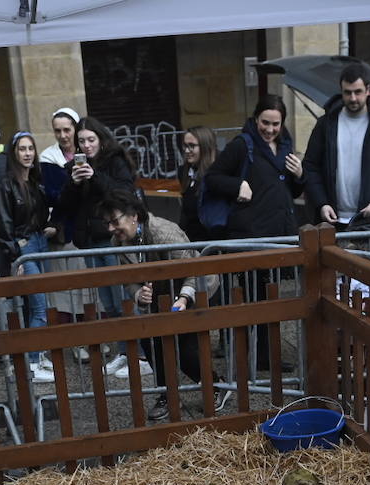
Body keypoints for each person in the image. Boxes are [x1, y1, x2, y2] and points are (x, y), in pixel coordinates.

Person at [102, 189, 231, 421]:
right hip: (162, 295)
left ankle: (216, 385)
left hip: (193, 287)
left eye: (114, 221)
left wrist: (183, 299)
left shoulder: (164, 232)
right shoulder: (119, 241)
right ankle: (167, 394)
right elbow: (128, 279)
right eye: (107, 223)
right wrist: (138, 293)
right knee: (151, 341)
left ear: (133, 216)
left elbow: (193, 270)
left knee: (183, 346)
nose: (111, 228)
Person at [204, 94, 304, 371]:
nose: (270, 129)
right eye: (265, 122)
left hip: (277, 235)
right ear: (255, 118)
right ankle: (249, 358)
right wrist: (237, 185)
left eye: (276, 124)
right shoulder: (241, 145)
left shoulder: (285, 145)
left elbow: (289, 191)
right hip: (251, 236)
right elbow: (212, 178)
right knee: (253, 301)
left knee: (270, 300)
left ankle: (264, 358)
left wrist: (300, 175)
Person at [54, 116, 137, 373]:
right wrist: (75, 183)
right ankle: (124, 352)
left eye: (91, 140)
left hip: (112, 238)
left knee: (124, 298)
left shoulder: (115, 160)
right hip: (89, 241)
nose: (87, 146)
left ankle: (139, 355)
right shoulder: (74, 166)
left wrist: (95, 176)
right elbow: (64, 206)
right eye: (81, 142)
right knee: (109, 304)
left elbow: (125, 194)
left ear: (101, 139)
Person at [0, 130, 56, 382]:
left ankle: (35, 356)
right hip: (23, 247)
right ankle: (32, 363)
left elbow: (38, 215)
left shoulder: (35, 182)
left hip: (40, 243)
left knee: (38, 305)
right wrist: (15, 256)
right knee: (37, 306)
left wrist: (49, 227)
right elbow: (3, 224)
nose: (27, 154)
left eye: (30, 149)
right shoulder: (5, 184)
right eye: (22, 149)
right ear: (14, 154)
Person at [302, 61, 370, 226]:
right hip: (331, 219)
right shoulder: (326, 124)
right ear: (341, 91)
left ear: (368, 90)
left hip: (369, 220)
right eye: (347, 93)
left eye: (358, 92)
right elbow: (311, 167)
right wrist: (322, 203)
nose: (353, 98)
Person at [177, 125, 219, 242]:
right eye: (185, 146)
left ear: (205, 146)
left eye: (192, 146)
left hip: (211, 238)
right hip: (191, 237)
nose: (187, 151)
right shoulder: (184, 171)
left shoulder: (216, 172)